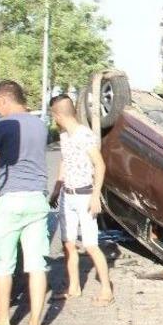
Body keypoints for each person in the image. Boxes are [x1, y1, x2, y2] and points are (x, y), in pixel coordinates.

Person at [0, 81, 50, 325]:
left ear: (5, 100)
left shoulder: (3, 125)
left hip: (10, 201)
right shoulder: (40, 124)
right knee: (36, 264)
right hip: (37, 199)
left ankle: (3, 322)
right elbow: (17, 159)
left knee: (1, 263)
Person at [48, 95, 114, 306]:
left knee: (91, 245)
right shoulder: (64, 136)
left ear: (57, 115)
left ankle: (107, 290)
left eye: (52, 115)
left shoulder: (84, 135)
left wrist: (95, 196)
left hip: (85, 196)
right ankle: (74, 287)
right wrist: (57, 189)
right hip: (67, 195)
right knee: (68, 243)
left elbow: (100, 165)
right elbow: (65, 161)